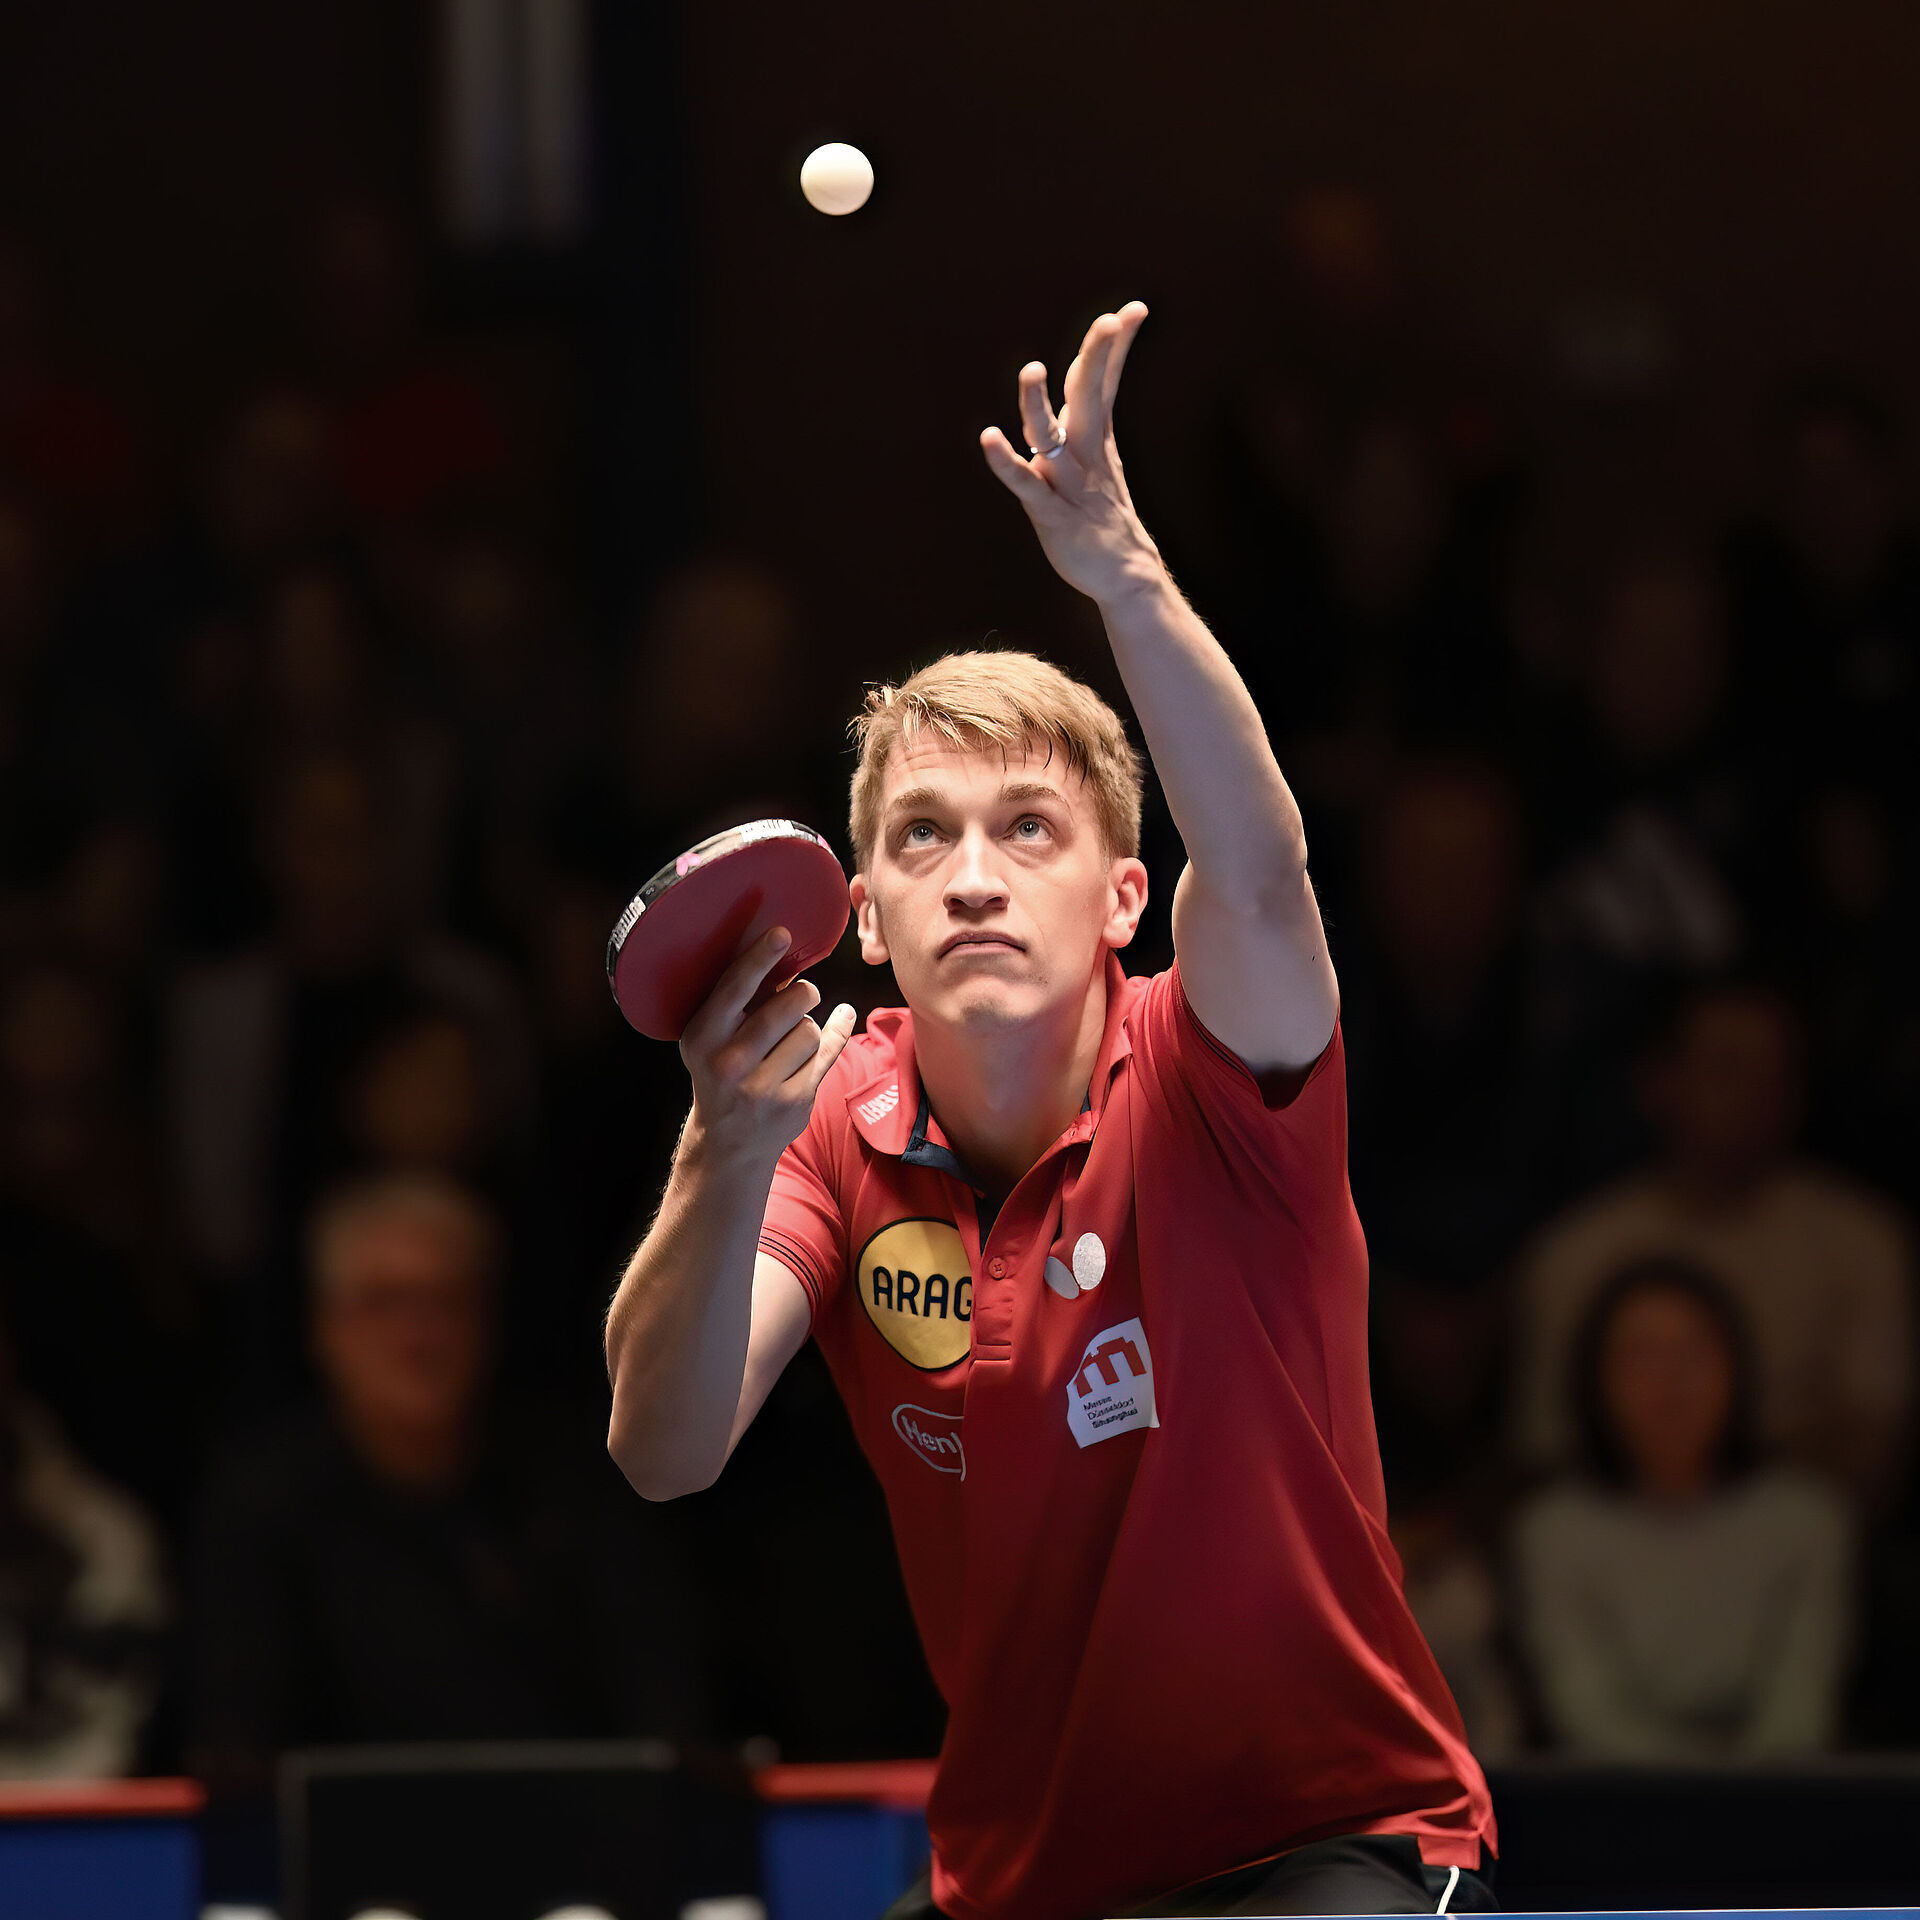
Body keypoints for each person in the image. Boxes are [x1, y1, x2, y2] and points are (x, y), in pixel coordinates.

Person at [606, 305, 1494, 1920]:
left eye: (1029, 828)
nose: (973, 876)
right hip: (1033, 1883)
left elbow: (1263, 870)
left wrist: (1126, 581)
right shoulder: (829, 1122)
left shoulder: (1216, 1067)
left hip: (1335, 1843)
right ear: (867, 919)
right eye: (924, 836)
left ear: (1125, 899)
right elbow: (664, 1450)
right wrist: (719, 1156)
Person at [190, 1174, 705, 1801]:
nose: (417, 1335)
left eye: (446, 1301)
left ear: (488, 1322)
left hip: (567, 1838)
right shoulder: (261, 1506)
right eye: (384, 1302)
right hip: (344, 1849)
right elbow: (240, 1752)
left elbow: (665, 1724)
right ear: (326, 1328)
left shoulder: (581, 1490)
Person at [1512, 979, 1914, 1506]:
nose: (1754, 1096)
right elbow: (1547, 1453)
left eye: (1775, 1075)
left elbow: (1876, 1448)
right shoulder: (1573, 1254)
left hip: (1801, 1528)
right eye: (1728, 1069)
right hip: (1617, 1532)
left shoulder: (1863, 1241)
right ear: (1659, 1084)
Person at [1513, 1257, 1852, 1760]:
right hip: (1619, 1792)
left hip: (1780, 1789)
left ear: (1737, 1367)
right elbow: (1586, 1709)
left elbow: (1800, 1705)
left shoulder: (1805, 1518)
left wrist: (1748, 1788)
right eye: (1641, 1356)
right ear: (1595, 1377)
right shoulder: (1555, 1529)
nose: (1670, 1379)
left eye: (1694, 1352)